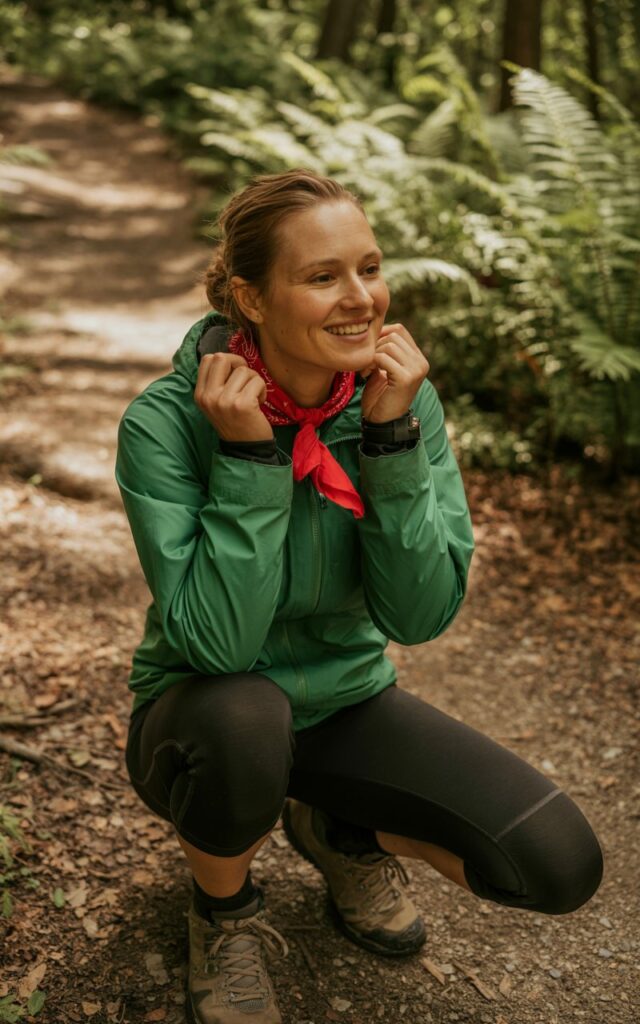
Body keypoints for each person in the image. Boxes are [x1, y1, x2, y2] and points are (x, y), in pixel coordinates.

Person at [115, 168, 603, 1024]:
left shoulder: (402, 401)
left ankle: (335, 828)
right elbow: (219, 647)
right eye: (322, 276)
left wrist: (390, 439)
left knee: (556, 864)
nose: (361, 299)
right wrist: (251, 458)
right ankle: (224, 911)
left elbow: (418, 615)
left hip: (346, 700)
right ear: (251, 299)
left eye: (369, 269)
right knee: (245, 717)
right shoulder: (165, 423)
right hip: (205, 714)